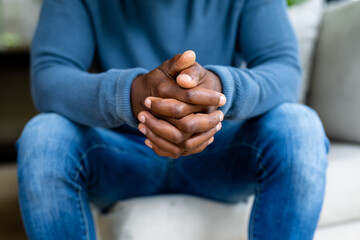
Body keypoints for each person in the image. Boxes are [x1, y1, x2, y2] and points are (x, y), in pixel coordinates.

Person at [16, 0, 329, 239]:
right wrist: (130, 94)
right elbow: (50, 77)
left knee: (299, 126)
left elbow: (284, 70)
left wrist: (221, 91)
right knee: (44, 136)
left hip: (220, 155)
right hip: (118, 159)